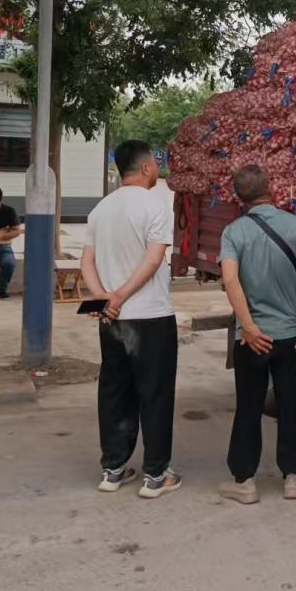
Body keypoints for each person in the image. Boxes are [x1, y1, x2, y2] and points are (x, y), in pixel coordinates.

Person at [80, 140, 181, 499]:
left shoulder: (100, 209)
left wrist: (103, 298)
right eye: (154, 161)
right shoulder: (155, 206)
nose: (156, 166)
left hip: (112, 321)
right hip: (150, 317)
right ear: (146, 168)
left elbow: (86, 262)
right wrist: (120, 296)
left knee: (114, 391)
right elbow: (153, 260)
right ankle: (155, 475)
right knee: (154, 393)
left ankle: (113, 469)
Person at [218, 164, 296, 505]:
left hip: (252, 339)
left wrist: (247, 325)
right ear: (270, 188)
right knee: (291, 404)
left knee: (248, 406)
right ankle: (292, 478)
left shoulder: (233, 233)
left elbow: (230, 280)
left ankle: (245, 481)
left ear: (239, 198)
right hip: (291, 336)